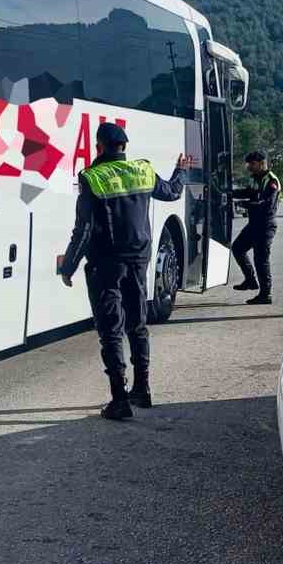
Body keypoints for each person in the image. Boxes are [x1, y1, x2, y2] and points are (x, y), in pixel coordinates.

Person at [59, 123, 190, 421]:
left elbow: (85, 228)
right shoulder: (142, 170)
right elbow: (171, 192)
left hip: (106, 262)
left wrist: (69, 265)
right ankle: (142, 389)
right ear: (124, 148)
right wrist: (181, 170)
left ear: (99, 147)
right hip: (138, 260)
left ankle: (120, 399)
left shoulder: (92, 177)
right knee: (137, 324)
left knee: (110, 330)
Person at [231, 150, 281, 305]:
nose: (249, 167)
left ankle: (266, 294)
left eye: (252, 164)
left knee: (261, 260)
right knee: (237, 248)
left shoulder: (271, 181)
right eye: (248, 164)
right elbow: (248, 192)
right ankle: (250, 280)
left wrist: (244, 204)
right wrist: (229, 194)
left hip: (266, 224)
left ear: (261, 163)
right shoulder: (255, 179)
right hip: (254, 224)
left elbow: (267, 204)